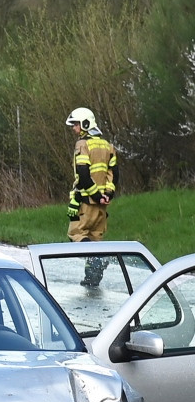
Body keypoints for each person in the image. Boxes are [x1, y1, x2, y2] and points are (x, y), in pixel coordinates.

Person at [65, 107, 119, 286]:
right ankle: (92, 280)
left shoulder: (82, 145)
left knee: (77, 234)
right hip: (102, 207)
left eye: (76, 124)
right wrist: (107, 195)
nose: (74, 128)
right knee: (95, 240)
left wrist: (95, 195)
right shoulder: (108, 145)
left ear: (86, 124)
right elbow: (114, 174)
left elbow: (83, 173)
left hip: (87, 203)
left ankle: (98, 260)